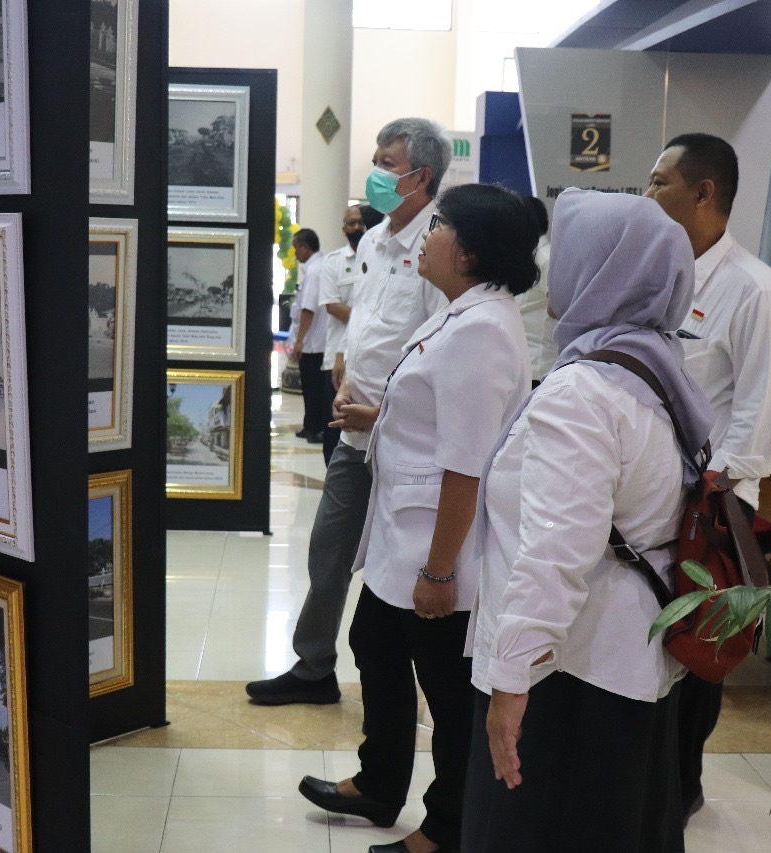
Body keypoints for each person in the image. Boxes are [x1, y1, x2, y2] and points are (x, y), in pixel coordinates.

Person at [462, 189, 713, 852]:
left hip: (569, 674)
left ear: (605, 271)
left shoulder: (584, 392)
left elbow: (556, 552)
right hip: (628, 663)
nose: (551, 273)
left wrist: (510, 681)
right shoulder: (651, 369)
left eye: (567, 256)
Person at [298, 184, 536, 853]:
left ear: (472, 250)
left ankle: (448, 827)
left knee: (450, 696)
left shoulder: (483, 331)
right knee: (372, 641)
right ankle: (379, 781)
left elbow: (467, 464)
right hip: (405, 534)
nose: (426, 239)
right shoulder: (459, 313)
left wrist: (439, 571)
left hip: (440, 547)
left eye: (439, 228)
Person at [246, 117, 451, 706]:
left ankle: (421, 686)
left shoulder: (441, 244)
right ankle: (313, 668)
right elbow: (367, 318)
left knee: (403, 564)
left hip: (413, 442)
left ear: (422, 176)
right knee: (328, 547)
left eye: (388, 164)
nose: (377, 173)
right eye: (378, 160)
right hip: (354, 429)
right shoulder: (378, 238)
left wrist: (384, 408)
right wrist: (344, 371)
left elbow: (441, 346)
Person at [644, 132, 771, 821]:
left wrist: (707, 496)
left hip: (713, 510)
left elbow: (760, 423)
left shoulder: (757, 290)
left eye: (659, 182)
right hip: (653, 503)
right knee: (652, 648)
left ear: (703, 193)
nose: (649, 196)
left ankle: (681, 788)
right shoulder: (663, 275)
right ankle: (653, 782)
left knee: (697, 651)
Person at [319, 204, 384, 463]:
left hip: (374, 358)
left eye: (360, 222)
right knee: (335, 428)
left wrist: (369, 318)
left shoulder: (385, 258)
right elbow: (332, 305)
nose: (356, 227)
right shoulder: (334, 262)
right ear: (343, 228)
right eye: (350, 223)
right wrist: (375, 318)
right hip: (336, 356)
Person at [512, 196, 554, 384]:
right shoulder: (524, 258)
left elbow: (562, 310)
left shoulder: (548, 259)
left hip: (538, 371)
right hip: (520, 367)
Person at [292, 229, 328, 443]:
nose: (295, 252)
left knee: (313, 388)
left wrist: (299, 340)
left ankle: (315, 428)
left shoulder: (314, 271)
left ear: (305, 247)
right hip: (319, 341)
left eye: (296, 247)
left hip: (314, 343)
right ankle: (310, 425)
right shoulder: (319, 266)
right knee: (313, 388)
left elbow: (308, 309)